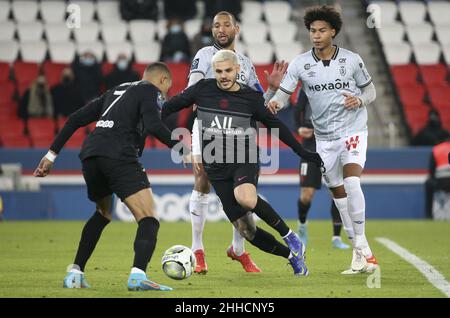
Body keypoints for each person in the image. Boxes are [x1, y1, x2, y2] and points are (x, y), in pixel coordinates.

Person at [161, 49, 323, 276]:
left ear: (238, 70)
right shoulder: (202, 90)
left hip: (243, 160)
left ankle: (292, 237)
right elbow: (167, 108)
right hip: (215, 168)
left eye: (228, 70)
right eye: (218, 71)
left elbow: (274, 125)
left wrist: (300, 151)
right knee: (247, 230)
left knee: (245, 198)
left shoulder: (250, 98)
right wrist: (157, 128)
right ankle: (292, 257)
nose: (224, 75)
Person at [34, 62, 189, 291]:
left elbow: (75, 118)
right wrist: (183, 150)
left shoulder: (116, 91)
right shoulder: (150, 90)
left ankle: (75, 273)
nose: (163, 97)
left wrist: (51, 155)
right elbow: (155, 125)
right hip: (119, 156)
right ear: (163, 81)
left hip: (91, 156)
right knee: (149, 219)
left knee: (103, 213)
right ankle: (138, 276)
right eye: (165, 90)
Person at [267, 5, 378, 274]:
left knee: (352, 182)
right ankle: (360, 254)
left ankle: (362, 245)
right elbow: (284, 95)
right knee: (338, 196)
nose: (316, 35)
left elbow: (371, 91)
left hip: (353, 131)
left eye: (322, 30)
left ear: (333, 32)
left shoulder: (351, 60)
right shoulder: (300, 63)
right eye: (312, 31)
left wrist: (359, 99)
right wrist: (274, 104)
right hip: (323, 140)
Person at [185, 11, 288, 274]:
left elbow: (257, 103)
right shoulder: (204, 55)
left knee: (243, 191)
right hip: (208, 125)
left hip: (239, 130)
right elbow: (193, 89)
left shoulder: (245, 64)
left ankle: (238, 250)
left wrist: (273, 89)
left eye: (226, 25)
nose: (220, 29)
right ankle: (198, 250)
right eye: (216, 25)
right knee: (202, 178)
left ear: (236, 28)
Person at [294, 88, 350, 249]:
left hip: (333, 144)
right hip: (310, 146)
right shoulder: (307, 87)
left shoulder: (338, 86)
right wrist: (299, 128)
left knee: (336, 191)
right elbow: (297, 110)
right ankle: (302, 227)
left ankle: (336, 237)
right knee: (306, 195)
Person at [425, 139, 450, 218]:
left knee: (428, 183)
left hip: (440, 183)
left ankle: (429, 215)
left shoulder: (436, 149)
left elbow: (431, 172)